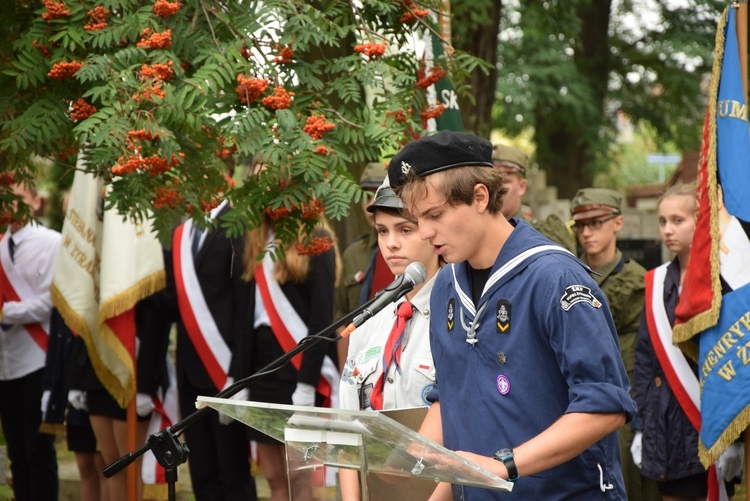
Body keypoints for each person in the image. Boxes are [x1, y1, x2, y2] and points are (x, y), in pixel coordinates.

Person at [389, 130, 636, 499]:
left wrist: (506, 465)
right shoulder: (446, 285)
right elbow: (453, 397)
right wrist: (412, 464)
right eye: (417, 218)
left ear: (479, 196)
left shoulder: (555, 278)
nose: (424, 232)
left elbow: (605, 407)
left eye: (435, 214)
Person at [631, 183, 742, 500]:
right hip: (665, 429)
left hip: (709, 425)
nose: (668, 230)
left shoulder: (726, 281)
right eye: (663, 221)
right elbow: (645, 359)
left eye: (678, 220)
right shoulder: (656, 283)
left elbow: (735, 361)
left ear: (701, 219)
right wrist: (641, 426)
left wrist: (736, 439)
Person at [242, 156, 340, 501]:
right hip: (263, 372)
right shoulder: (257, 241)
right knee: (272, 477)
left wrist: (306, 385)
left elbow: (321, 320)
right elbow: (249, 319)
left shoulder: (318, 238)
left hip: (298, 372)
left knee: (300, 480)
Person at [338, 178, 442, 500]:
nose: (391, 243)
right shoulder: (369, 322)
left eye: (404, 230)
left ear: (431, 230)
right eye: (383, 231)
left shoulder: (458, 318)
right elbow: (348, 430)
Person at [164, 192, 259, 501]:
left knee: (234, 477)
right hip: (190, 371)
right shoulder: (183, 231)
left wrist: (237, 377)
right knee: (203, 475)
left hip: (225, 371)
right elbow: (174, 303)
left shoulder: (238, 223)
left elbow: (245, 309)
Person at [570, 187, 659, 501]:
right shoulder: (564, 273)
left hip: (624, 402)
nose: (587, 233)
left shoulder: (639, 282)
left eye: (596, 223)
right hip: (572, 401)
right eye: (580, 226)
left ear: (617, 223)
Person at [0, 182, 60, 501]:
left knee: (38, 450)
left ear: (35, 202)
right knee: (17, 453)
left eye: (19, 197)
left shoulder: (51, 242)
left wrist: (5, 311)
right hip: (6, 362)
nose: (10, 203)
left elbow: (50, 301)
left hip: (39, 359)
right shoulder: (0, 245)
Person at [335, 162, 394, 369]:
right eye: (365, 197)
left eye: (377, 195)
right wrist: (346, 375)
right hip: (361, 362)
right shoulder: (354, 253)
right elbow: (343, 319)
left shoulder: (415, 249)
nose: (371, 205)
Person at [492, 143, 576, 253]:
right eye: (491, 182)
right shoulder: (473, 235)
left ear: (522, 186)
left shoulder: (545, 236)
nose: (496, 189)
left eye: (505, 181)